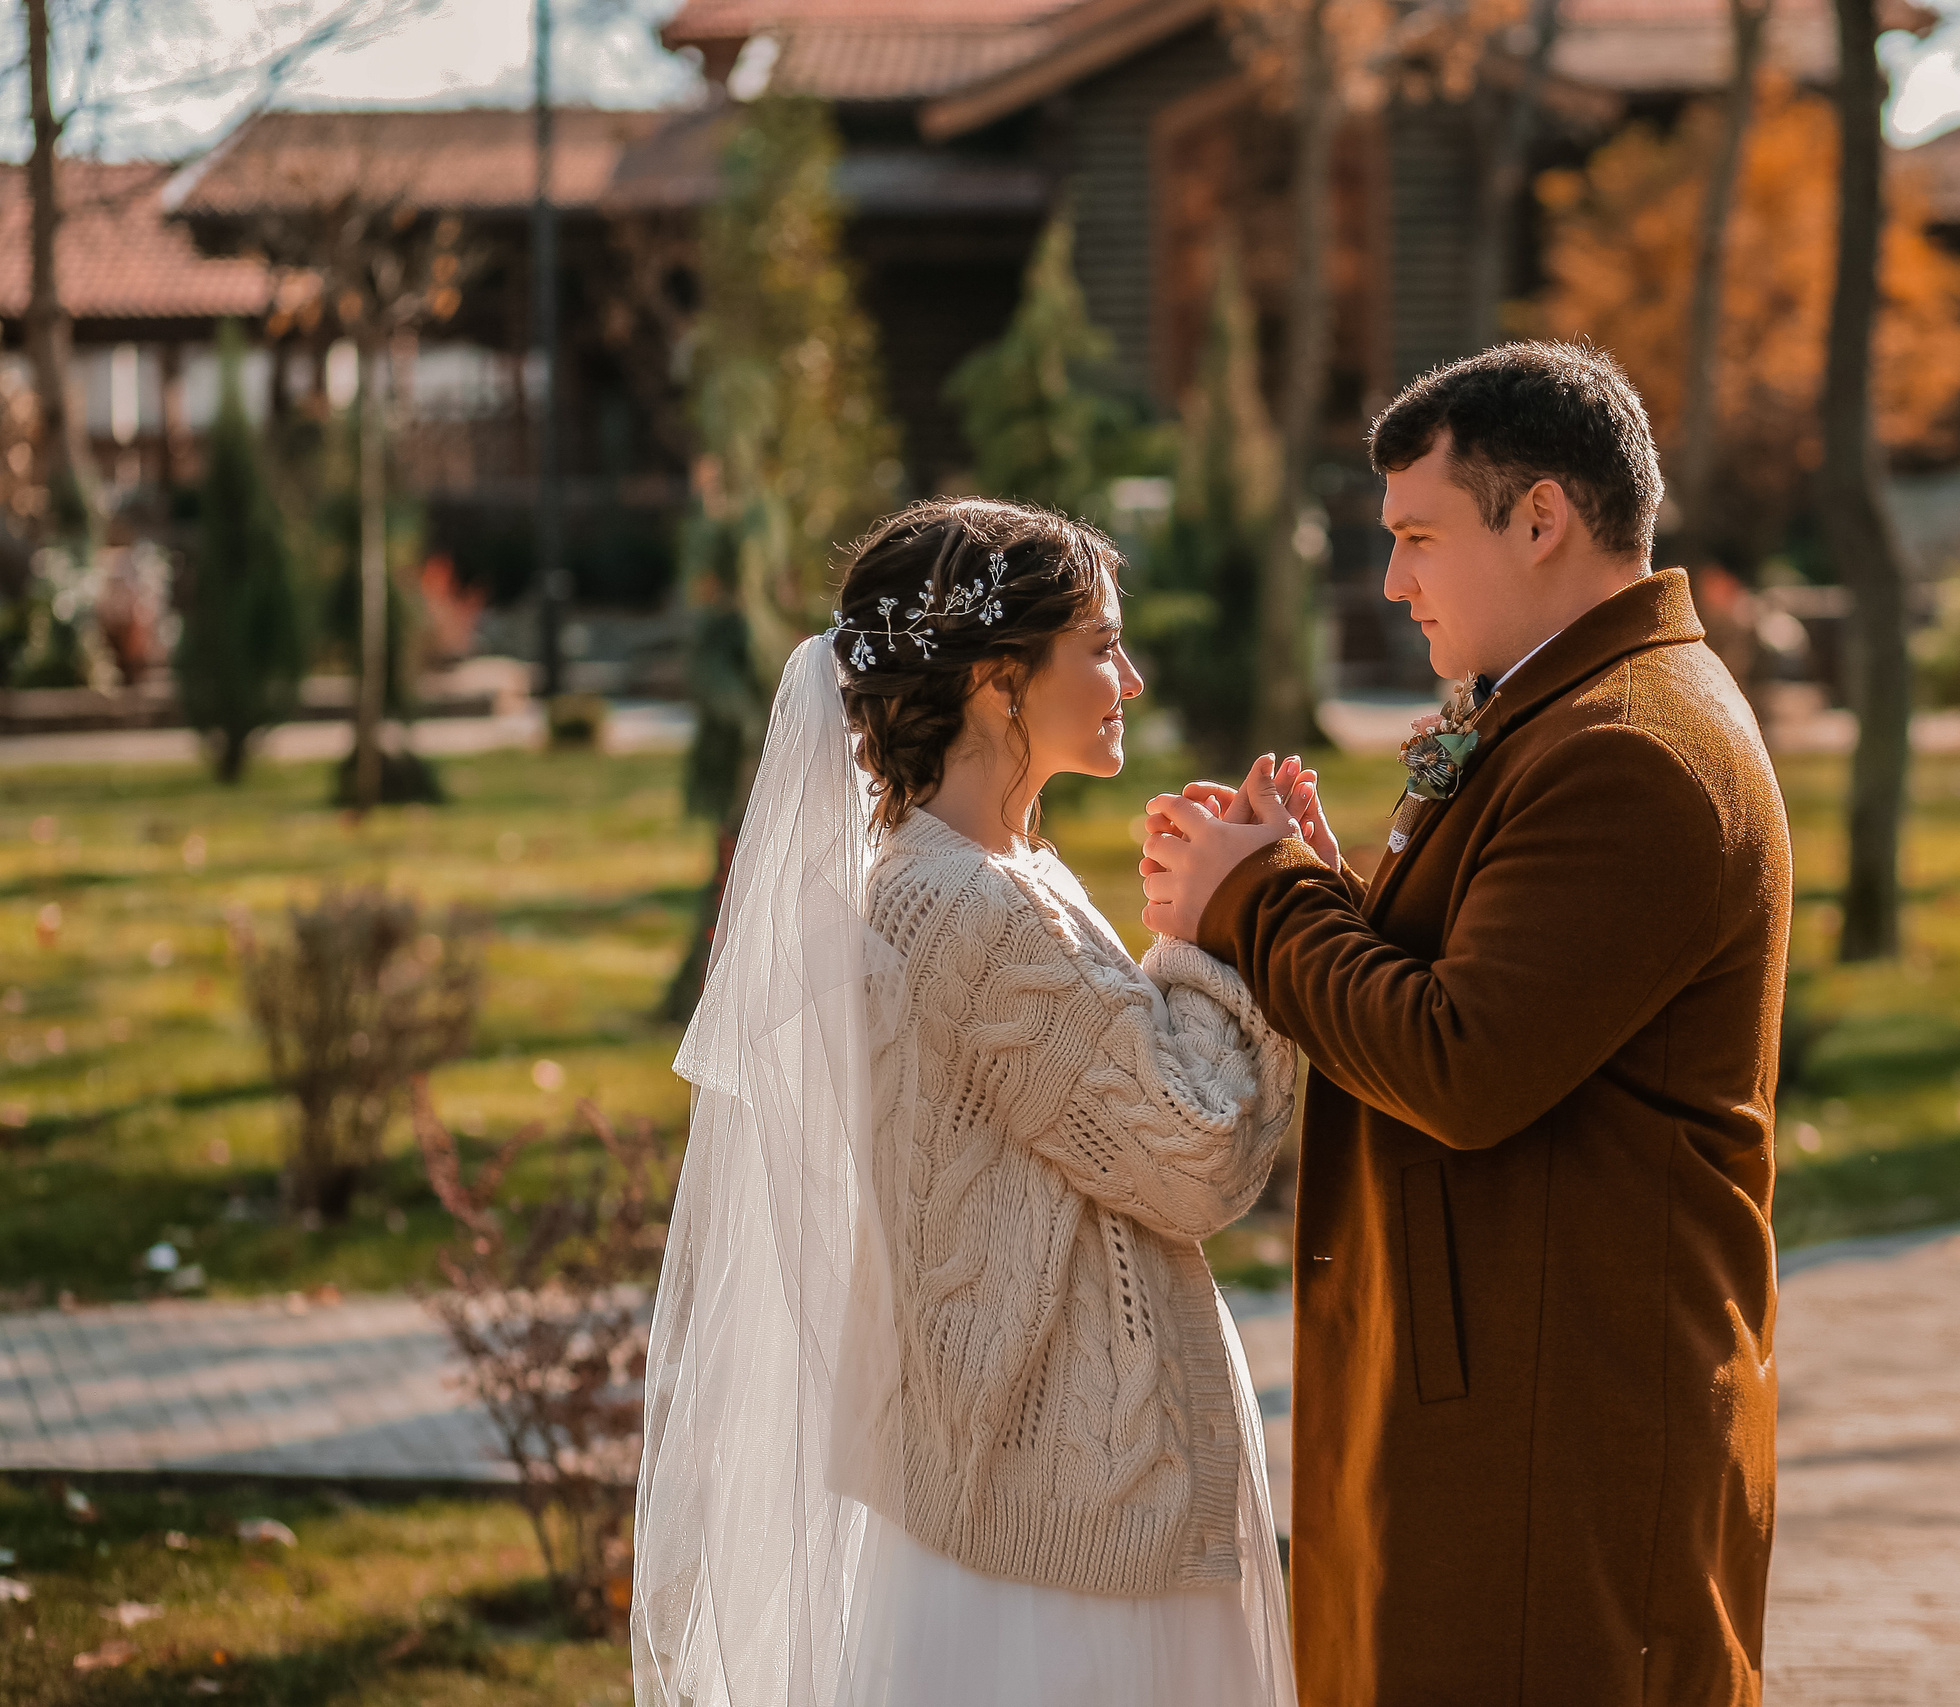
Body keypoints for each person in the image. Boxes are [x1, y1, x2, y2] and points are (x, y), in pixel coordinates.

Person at [1141, 342, 1794, 1706]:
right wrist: (1324, 892)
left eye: (1418, 535)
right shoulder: (1559, 714)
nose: (1394, 579)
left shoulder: (1634, 749)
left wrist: (1258, 904)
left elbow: (1463, 1059)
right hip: (1496, 1395)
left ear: (1541, 516)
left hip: (1567, 1429)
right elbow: (1482, 983)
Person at [633, 497, 1310, 1707]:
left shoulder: (996, 873)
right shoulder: (966, 907)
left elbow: (1116, 1100)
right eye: (1100, 645)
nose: (1133, 678)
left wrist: (1240, 918)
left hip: (1045, 1493)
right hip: (1052, 1550)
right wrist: (1227, 932)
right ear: (1000, 683)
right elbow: (1194, 1153)